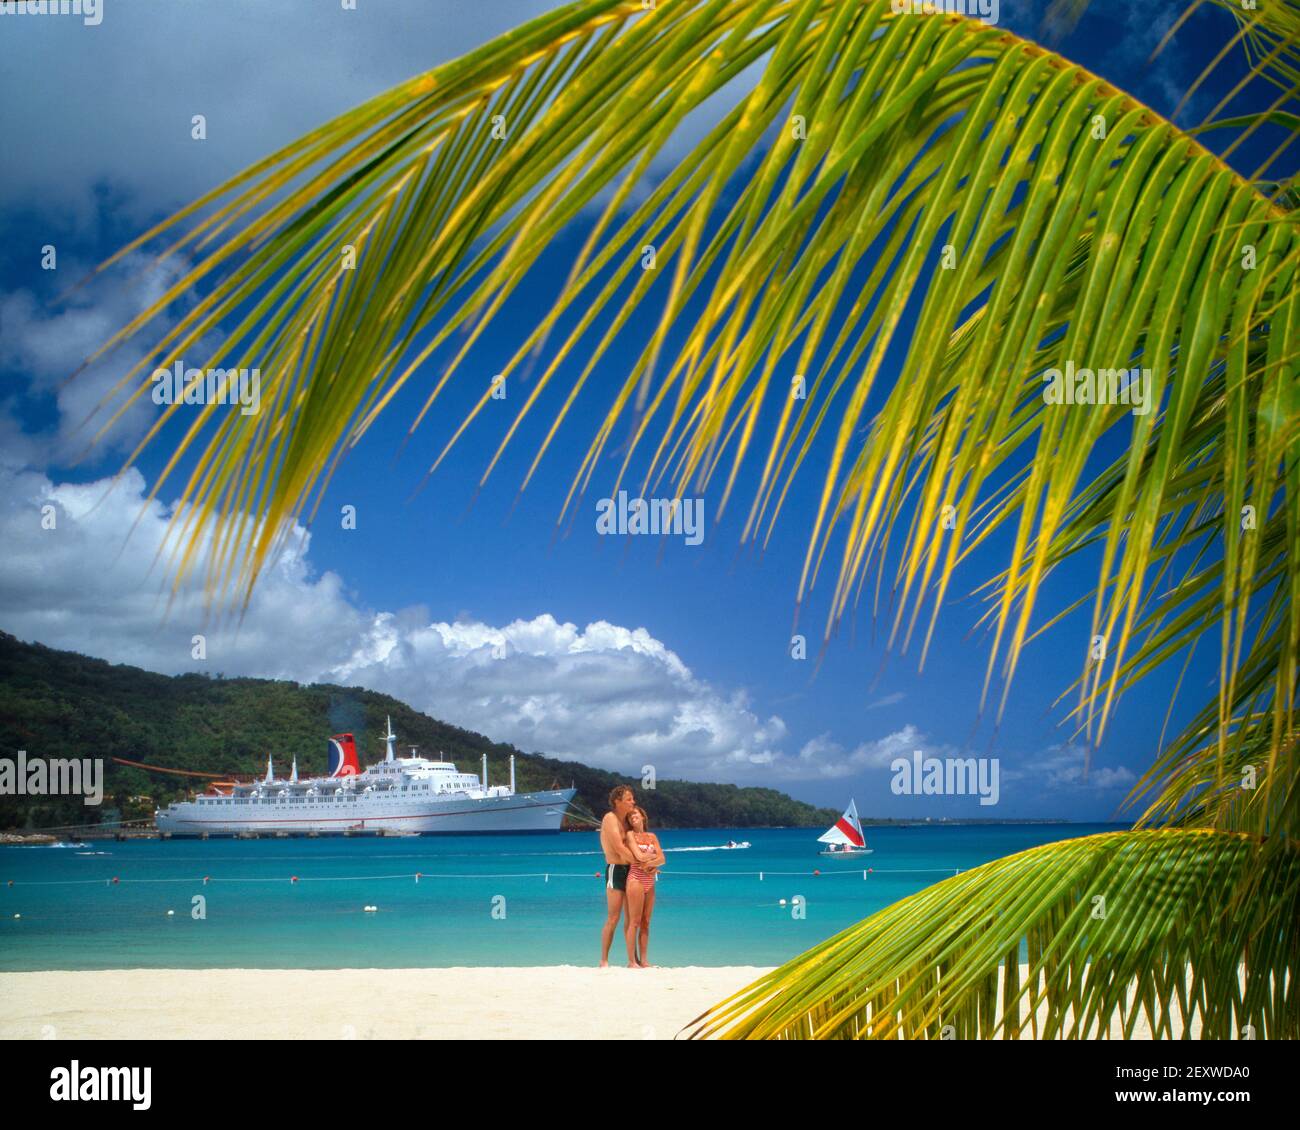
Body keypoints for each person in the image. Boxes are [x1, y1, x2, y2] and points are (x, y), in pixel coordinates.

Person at [599, 785, 637, 967]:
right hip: (616, 869)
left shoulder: (627, 821)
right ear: (617, 801)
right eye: (629, 799)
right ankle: (604, 960)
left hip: (632, 870)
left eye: (633, 799)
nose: (633, 802)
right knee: (613, 917)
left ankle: (633, 960)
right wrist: (642, 863)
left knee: (632, 919)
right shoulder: (610, 818)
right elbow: (618, 848)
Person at [622, 805, 665, 968]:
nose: (633, 817)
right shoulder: (630, 835)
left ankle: (644, 960)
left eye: (635, 814)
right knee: (634, 921)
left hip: (650, 880)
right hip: (635, 879)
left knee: (646, 922)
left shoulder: (652, 836)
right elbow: (638, 856)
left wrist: (651, 862)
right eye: (630, 817)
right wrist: (653, 857)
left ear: (642, 816)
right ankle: (632, 961)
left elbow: (663, 859)